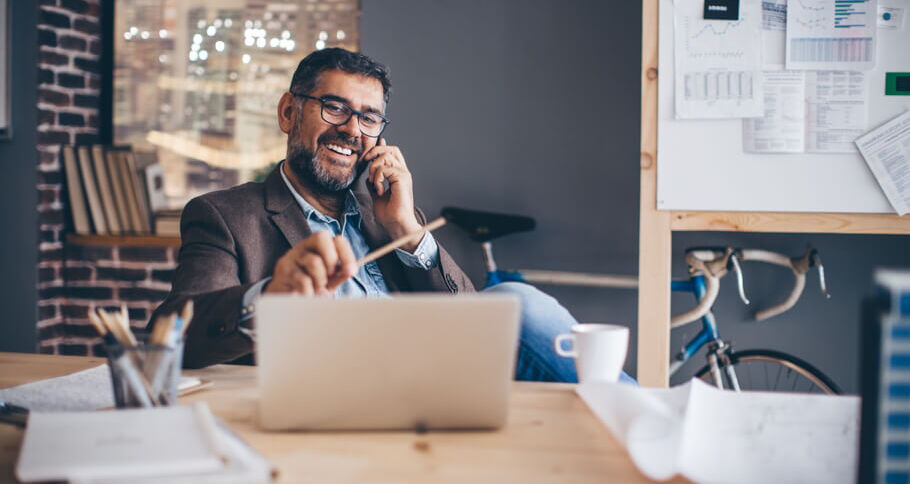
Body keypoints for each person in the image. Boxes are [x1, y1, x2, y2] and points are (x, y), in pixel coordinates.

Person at [150, 48, 632, 384]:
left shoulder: (390, 217)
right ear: (288, 113)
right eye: (334, 108)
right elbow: (175, 334)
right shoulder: (225, 215)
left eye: (369, 118)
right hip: (333, 394)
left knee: (513, 304)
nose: (351, 130)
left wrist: (408, 231)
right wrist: (271, 295)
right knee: (517, 303)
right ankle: (645, 425)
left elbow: (469, 317)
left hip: (435, 383)